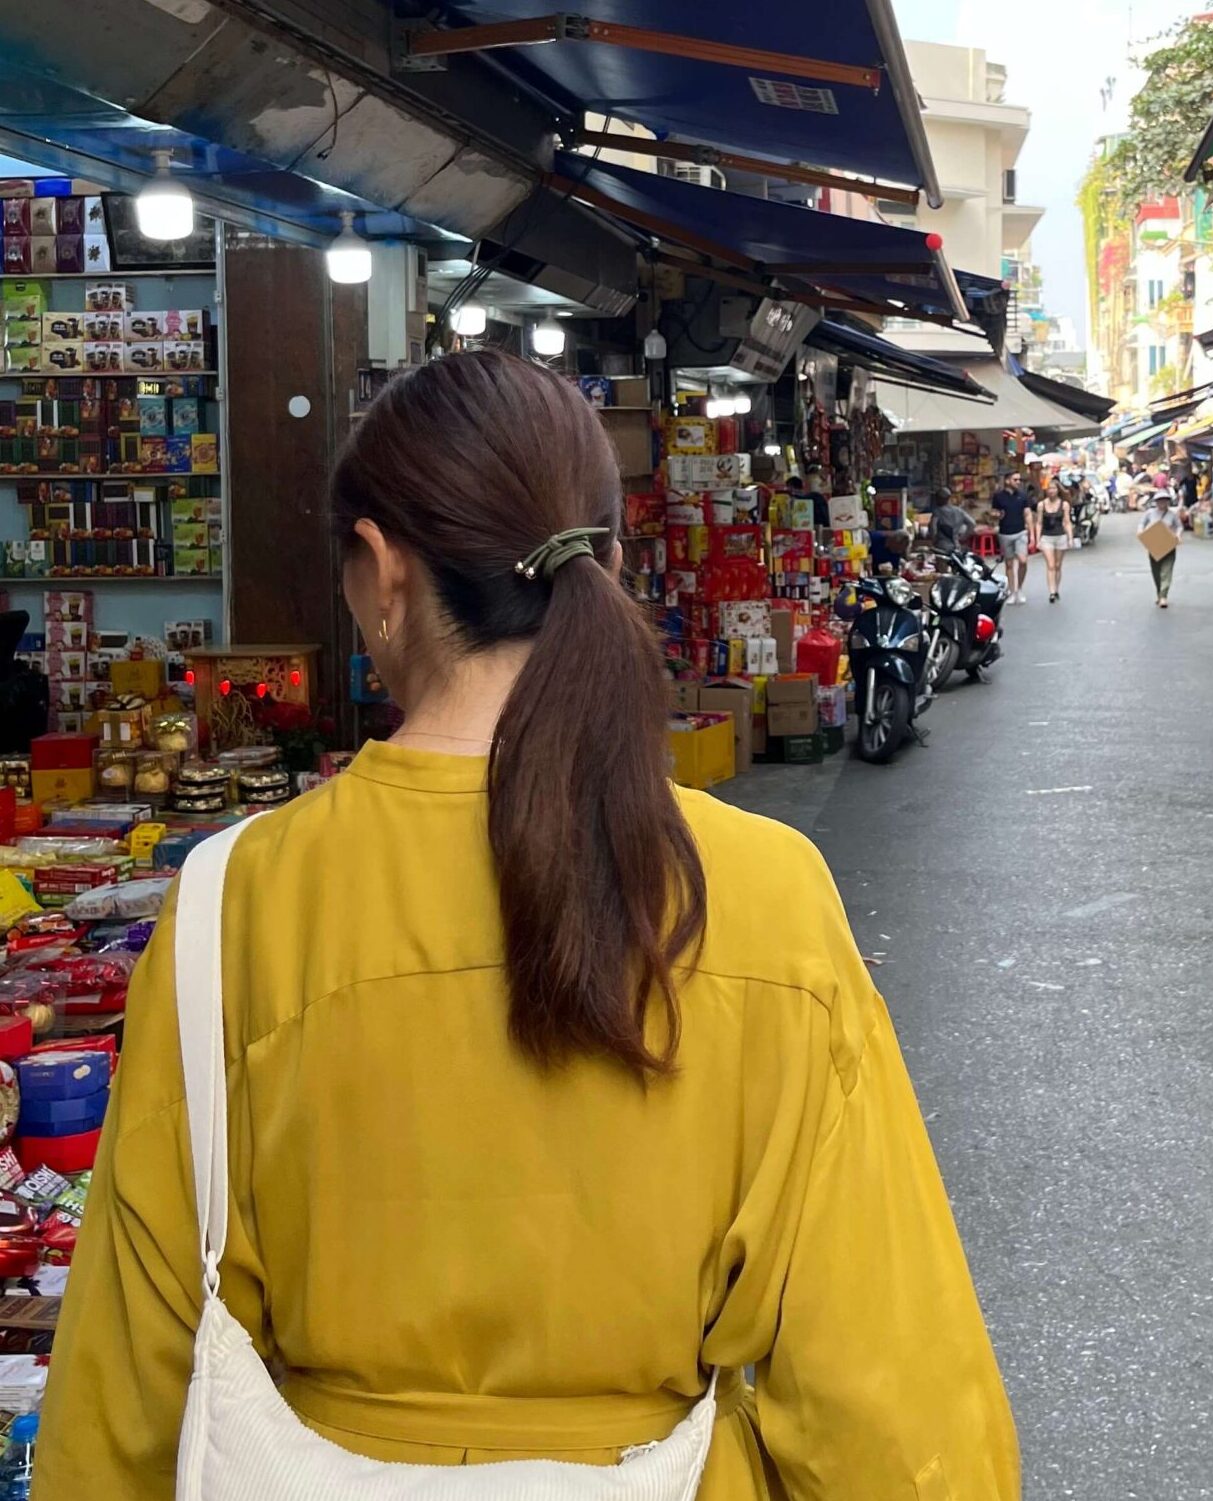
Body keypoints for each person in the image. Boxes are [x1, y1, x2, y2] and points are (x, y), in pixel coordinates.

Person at [35, 351, 1020, 1497]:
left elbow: (128, 1384)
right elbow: (889, 1399)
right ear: (605, 559)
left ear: (380, 571)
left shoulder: (230, 906)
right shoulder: (761, 893)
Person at [1138, 482, 1188, 607]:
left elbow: (1179, 527)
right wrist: (1140, 531)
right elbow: (1141, 524)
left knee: (1166, 571)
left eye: (1164, 501)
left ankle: (1163, 596)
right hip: (1154, 546)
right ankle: (1159, 593)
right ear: (1156, 502)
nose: (1162, 503)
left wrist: (1178, 535)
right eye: (1160, 501)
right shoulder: (1150, 513)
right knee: (1156, 572)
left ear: (1168, 502)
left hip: (1169, 546)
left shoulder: (1172, 515)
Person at [994, 470, 1034, 603]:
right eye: (1015, 479)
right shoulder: (998, 496)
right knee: (1009, 563)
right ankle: (1012, 591)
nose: (1018, 482)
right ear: (1007, 481)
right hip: (1005, 533)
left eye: (1019, 480)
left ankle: (1020, 588)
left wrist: (1032, 534)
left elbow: (1027, 514)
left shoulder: (1022, 496)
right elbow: (994, 512)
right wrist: (996, 515)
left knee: (1023, 560)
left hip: (1020, 532)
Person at [1032, 478, 1073, 602]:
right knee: (1050, 565)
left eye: (1054, 488)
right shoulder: (1041, 505)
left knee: (1057, 565)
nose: (1051, 491)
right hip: (1046, 537)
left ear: (1058, 490)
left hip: (1060, 536)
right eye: (1049, 489)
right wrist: (1037, 539)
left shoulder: (1064, 504)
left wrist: (1070, 538)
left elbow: (1067, 522)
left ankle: (1057, 587)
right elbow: (1039, 523)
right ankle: (1052, 591)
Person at [930, 485, 976, 552]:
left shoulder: (937, 512)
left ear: (938, 499)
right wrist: (963, 538)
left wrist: (934, 540)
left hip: (941, 546)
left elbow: (933, 528)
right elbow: (972, 523)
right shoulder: (959, 511)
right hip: (956, 545)